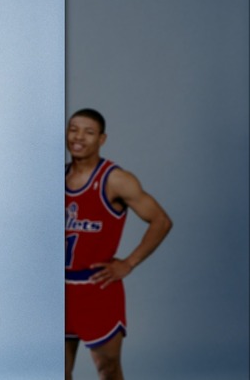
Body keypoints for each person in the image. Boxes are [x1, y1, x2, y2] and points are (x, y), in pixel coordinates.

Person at [65, 108, 172, 380]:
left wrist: (128, 263)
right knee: (60, 371)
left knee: (108, 369)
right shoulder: (56, 176)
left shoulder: (115, 180)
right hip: (59, 289)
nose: (79, 137)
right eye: (73, 129)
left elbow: (160, 220)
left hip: (96, 288)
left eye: (88, 132)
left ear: (102, 139)